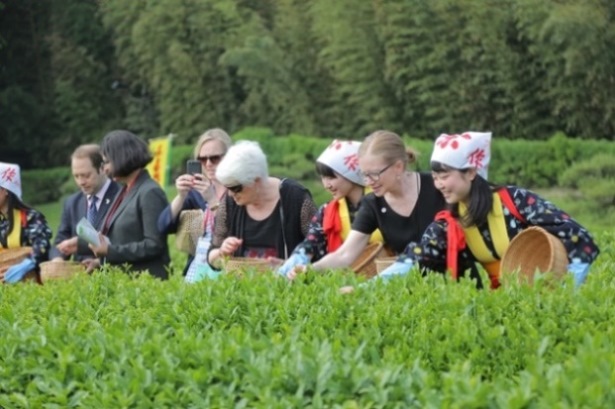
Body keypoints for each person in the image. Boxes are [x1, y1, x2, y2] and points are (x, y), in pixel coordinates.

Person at [364, 131, 600, 290]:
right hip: (503, 300)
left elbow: (579, 237)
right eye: (435, 178)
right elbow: (413, 259)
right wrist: (367, 288)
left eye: (445, 176)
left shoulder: (516, 201)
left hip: (547, 291)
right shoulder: (450, 222)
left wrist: (569, 287)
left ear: (471, 173)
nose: (439, 185)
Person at [284, 130, 446, 279]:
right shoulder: (373, 203)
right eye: (364, 175)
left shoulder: (438, 187)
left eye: (374, 174)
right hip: (411, 288)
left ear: (398, 167)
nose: (368, 182)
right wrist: (309, 269)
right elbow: (345, 254)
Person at [276, 139, 384, 276]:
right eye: (323, 178)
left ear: (350, 173)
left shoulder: (384, 203)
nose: (326, 185)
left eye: (331, 178)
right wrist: (296, 260)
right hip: (345, 277)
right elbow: (312, 242)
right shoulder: (327, 211)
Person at [207, 140, 318, 270]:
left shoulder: (296, 198)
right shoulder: (230, 203)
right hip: (241, 286)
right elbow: (211, 258)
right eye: (227, 187)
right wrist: (222, 252)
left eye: (235, 188)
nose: (230, 194)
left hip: (287, 286)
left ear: (257, 180)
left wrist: (287, 266)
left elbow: (320, 252)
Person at [85, 130, 170, 279]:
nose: (104, 169)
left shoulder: (150, 192)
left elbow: (154, 245)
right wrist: (101, 261)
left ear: (121, 157)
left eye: (106, 162)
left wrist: (109, 251)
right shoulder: (124, 191)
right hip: (127, 283)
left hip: (147, 284)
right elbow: (124, 239)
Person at [157, 128, 232, 280]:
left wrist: (212, 200)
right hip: (198, 269)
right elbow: (163, 226)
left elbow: (234, 230)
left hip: (228, 267)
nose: (208, 164)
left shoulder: (238, 190)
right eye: (202, 159)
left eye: (215, 158)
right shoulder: (197, 192)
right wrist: (181, 196)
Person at [50, 144, 121, 262]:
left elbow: (121, 241)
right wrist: (57, 258)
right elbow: (59, 241)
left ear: (102, 168)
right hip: (80, 276)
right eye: (76, 176)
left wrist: (81, 244)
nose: (81, 182)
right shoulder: (72, 203)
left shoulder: (121, 196)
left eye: (86, 175)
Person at [0, 162, 52, 283]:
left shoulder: (30, 218)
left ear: (6, 190)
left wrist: (26, 265)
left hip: (30, 285)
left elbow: (42, 246)